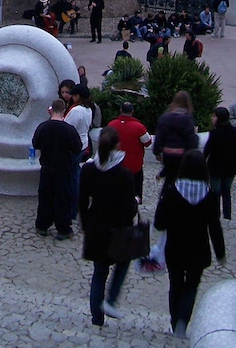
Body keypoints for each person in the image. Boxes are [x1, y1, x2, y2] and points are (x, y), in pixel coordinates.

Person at [154, 149, 225, 339]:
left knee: (175, 283)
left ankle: (174, 319)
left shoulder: (171, 192)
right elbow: (214, 227)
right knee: (192, 286)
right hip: (198, 248)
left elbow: (159, 223)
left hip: (175, 246)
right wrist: (220, 252)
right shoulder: (210, 196)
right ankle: (183, 322)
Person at [79, 127, 138, 327]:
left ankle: (97, 318)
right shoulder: (124, 174)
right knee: (123, 261)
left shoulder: (88, 169)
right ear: (117, 146)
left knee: (99, 272)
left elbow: (82, 199)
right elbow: (130, 207)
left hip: (96, 225)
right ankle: (111, 299)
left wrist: (85, 222)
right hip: (118, 227)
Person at [32, 98, 82, 241]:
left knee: (45, 197)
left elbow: (35, 143)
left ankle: (42, 225)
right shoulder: (69, 130)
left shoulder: (43, 127)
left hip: (47, 167)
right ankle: (63, 228)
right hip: (63, 168)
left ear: (51, 109)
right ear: (64, 111)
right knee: (62, 199)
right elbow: (77, 148)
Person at [107, 100, 152, 200]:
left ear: (120, 110)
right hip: (134, 165)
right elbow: (148, 142)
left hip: (115, 164)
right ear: (132, 111)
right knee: (135, 191)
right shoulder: (139, 127)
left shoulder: (111, 125)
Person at [203, 107, 236, 220]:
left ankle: (215, 215)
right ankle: (227, 215)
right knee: (226, 192)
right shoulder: (235, 132)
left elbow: (207, 150)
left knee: (215, 192)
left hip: (215, 168)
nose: (212, 118)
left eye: (214, 116)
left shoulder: (214, 133)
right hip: (230, 168)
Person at [153, 90, 198, 186]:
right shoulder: (187, 119)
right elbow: (191, 141)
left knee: (169, 178)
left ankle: (165, 197)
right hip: (182, 154)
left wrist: (157, 152)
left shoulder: (165, 118)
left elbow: (159, 136)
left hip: (167, 153)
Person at [65, 83, 93, 218]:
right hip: (83, 144)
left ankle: (71, 208)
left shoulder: (76, 111)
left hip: (73, 146)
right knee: (75, 174)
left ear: (78, 96)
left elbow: (66, 127)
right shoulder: (88, 110)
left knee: (72, 177)